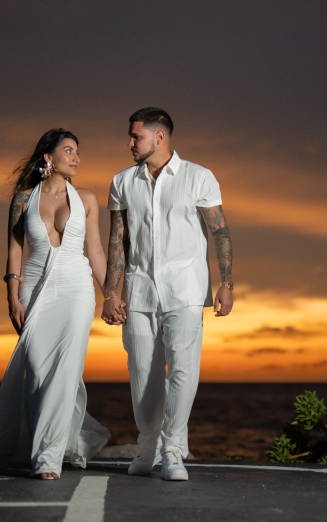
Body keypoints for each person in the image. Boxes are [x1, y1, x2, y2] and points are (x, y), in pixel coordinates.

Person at [101, 107, 234, 481]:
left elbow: (219, 232)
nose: (129, 143)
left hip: (186, 289)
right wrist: (111, 293)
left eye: (135, 136)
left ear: (159, 137)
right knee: (142, 371)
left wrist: (226, 284)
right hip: (140, 289)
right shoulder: (122, 181)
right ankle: (148, 445)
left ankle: (173, 450)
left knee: (182, 370)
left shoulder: (198, 177)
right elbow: (117, 240)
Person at [0, 129, 113, 480]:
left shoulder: (86, 199)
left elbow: (96, 252)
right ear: (48, 158)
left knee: (66, 369)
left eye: (78, 152)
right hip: (35, 289)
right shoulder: (23, 199)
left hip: (76, 290)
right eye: (68, 151)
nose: (76, 157)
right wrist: (12, 297)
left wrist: (111, 294)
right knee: (38, 371)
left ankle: (48, 459)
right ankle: (39, 443)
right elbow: (13, 252)